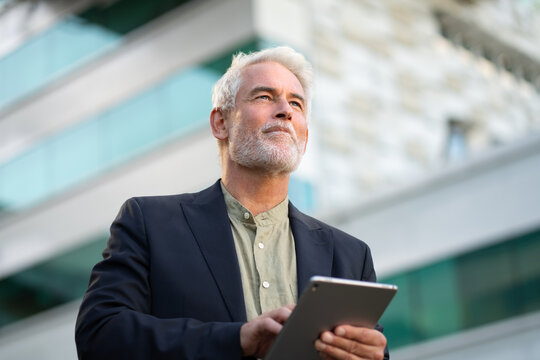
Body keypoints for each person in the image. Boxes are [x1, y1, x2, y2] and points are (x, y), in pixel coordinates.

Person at [75, 46, 388, 360]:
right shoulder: (148, 222)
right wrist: (237, 339)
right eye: (264, 96)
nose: (285, 110)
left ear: (305, 136)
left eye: (296, 102)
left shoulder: (351, 256)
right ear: (220, 123)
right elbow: (100, 334)